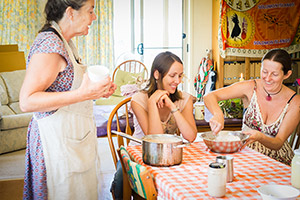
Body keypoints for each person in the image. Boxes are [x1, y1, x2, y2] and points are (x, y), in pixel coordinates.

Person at [19, 0, 116, 199]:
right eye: (91, 11)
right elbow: (27, 101)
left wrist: (97, 92)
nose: (94, 17)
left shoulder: (64, 42)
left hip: (70, 142)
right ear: (71, 12)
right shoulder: (50, 45)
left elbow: (64, 88)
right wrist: (84, 94)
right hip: (55, 144)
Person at [111, 51, 197, 199]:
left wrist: (172, 107)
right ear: (157, 74)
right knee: (123, 176)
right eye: (172, 75)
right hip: (138, 155)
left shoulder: (185, 99)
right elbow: (155, 139)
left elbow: (190, 136)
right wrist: (152, 103)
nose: (177, 81)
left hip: (168, 157)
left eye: (180, 75)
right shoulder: (139, 100)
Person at [204, 49, 300, 165]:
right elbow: (209, 96)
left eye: (274, 74)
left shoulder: (295, 102)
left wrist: (261, 137)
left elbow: (278, 143)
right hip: (246, 157)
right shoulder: (251, 87)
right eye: (264, 72)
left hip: (278, 161)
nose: (267, 78)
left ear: (287, 74)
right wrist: (218, 114)